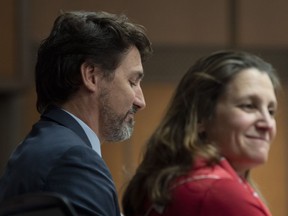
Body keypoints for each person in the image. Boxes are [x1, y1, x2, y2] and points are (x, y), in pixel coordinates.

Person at [0, 11, 152, 216]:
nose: (140, 101)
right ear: (91, 76)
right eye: (132, 82)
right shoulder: (73, 159)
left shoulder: (46, 145)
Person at [122, 50, 280, 216]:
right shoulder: (219, 193)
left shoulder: (171, 181)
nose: (267, 124)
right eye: (248, 106)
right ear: (201, 115)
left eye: (271, 111)